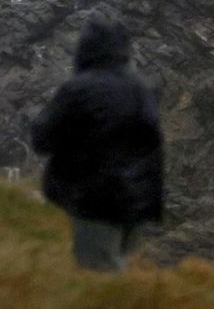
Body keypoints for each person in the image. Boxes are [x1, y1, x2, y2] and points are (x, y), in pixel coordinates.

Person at [29, 17, 164, 271]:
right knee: (123, 267)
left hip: (95, 201)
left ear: (86, 48)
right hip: (137, 202)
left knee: (97, 276)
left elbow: (42, 138)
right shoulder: (142, 89)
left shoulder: (79, 89)